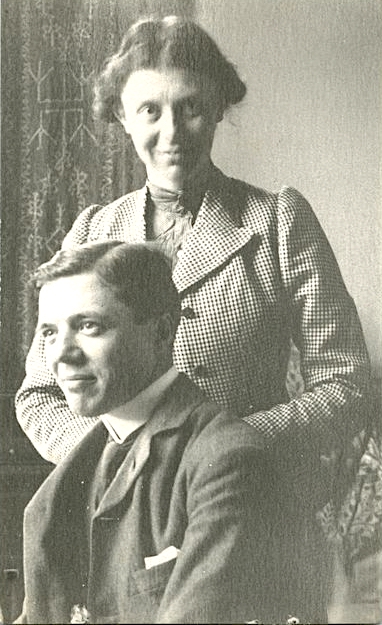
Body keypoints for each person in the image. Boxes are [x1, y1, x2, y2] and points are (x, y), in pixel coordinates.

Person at [16, 17, 370, 510]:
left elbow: (346, 383)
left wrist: (222, 446)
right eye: (149, 111)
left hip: (247, 498)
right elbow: (38, 396)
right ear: (122, 117)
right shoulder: (94, 230)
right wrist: (117, 459)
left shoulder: (279, 221)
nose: (172, 132)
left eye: (192, 108)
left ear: (219, 108)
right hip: (117, 506)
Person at [17, 241, 316, 624]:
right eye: (49, 334)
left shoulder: (229, 461)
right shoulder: (76, 469)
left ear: (161, 331)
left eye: (88, 326)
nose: (62, 354)